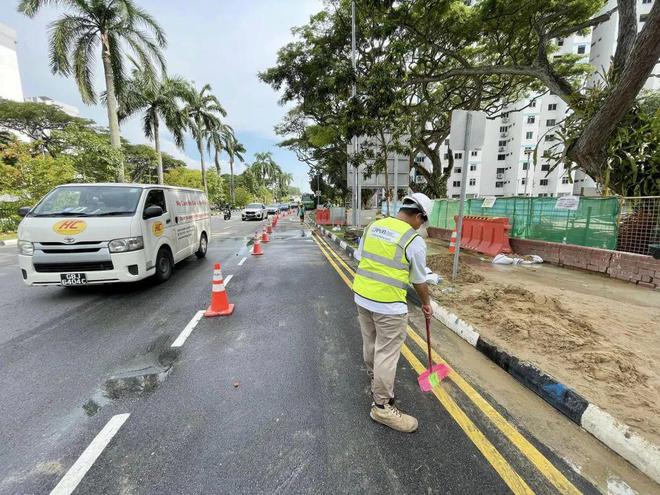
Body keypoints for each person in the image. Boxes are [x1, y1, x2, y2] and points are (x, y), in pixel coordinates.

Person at [352, 192, 434, 433]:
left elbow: (361, 258)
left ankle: (374, 377)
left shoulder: (374, 226)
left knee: (371, 342)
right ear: (419, 216)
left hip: (362, 296)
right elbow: (419, 280)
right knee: (387, 353)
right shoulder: (413, 240)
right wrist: (426, 303)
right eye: (423, 222)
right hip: (389, 305)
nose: (422, 226)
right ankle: (382, 406)